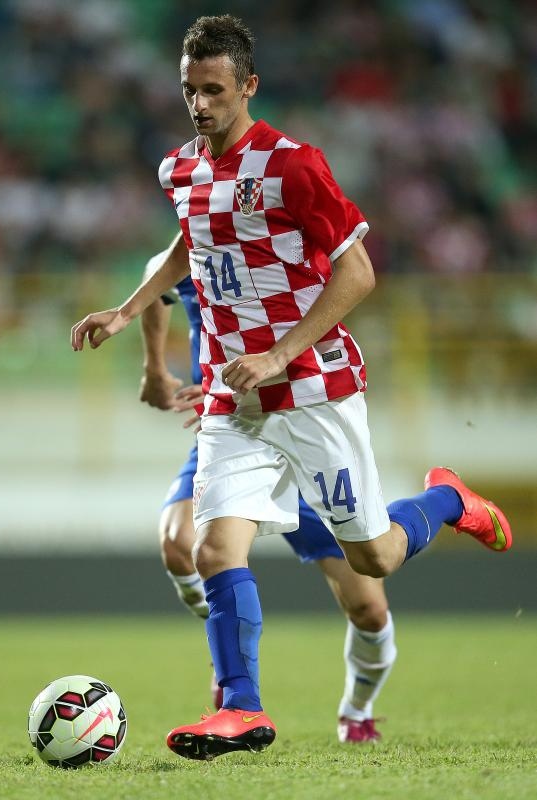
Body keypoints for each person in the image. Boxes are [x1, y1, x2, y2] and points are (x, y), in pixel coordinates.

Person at [71, 15, 512, 761]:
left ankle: (447, 499)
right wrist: (127, 310)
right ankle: (241, 708)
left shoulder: (293, 166)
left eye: (213, 90)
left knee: (373, 558)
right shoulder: (179, 169)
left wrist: (278, 354)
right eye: (189, 91)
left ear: (247, 85)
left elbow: (358, 272)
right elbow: (187, 245)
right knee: (215, 550)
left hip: (314, 389)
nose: (199, 105)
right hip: (233, 402)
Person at [139, 252, 397, 743]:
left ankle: (357, 711)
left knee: (369, 602)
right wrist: (155, 369)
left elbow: (352, 283)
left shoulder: (281, 247)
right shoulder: (198, 247)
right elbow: (156, 283)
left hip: (306, 435)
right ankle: (230, 664)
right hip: (237, 432)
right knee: (181, 541)